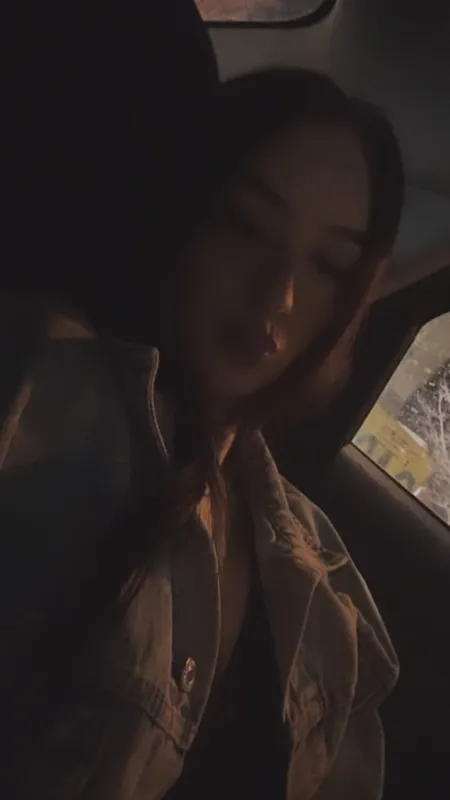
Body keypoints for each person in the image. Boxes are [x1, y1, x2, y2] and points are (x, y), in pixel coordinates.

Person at [0, 68, 404, 799]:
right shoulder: (39, 382)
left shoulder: (326, 584)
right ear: (189, 210)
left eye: (328, 266)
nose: (280, 294)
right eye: (247, 226)